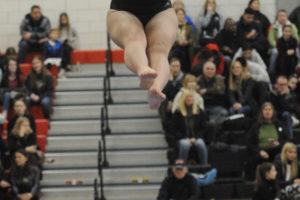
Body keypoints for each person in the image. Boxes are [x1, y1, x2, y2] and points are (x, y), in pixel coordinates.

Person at [107, 0, 178, 109]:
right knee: (134, 39)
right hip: (123, 10)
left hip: (160, 10)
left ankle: (156, 88)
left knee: (159, 49)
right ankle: (142, 69)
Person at [246, 102, 288, 180]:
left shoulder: (279, 125)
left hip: (276, 150)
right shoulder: (256, 126)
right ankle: (255, 180)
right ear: (262, 112)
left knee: (279, 158)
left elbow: (287, 139)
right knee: (254, 159)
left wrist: (279, 144)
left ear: (273, 112)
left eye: (269, 110)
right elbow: (250, 143)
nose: (267, 112)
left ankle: (278, 180)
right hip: (261, 151)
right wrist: (259, 151)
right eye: (265, 110)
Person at [172, 90, 209, 165]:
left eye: (191, 97)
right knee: (185, 144)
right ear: (183, 99)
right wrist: (186, 138)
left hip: (196, 137)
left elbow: (203, 128)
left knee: (200, 144)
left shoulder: (199, 111)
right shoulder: (178, 112)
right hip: (183, 138)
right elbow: (174, 129)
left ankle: (204, 167)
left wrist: (195, 138)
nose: (189, 99)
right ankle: (182, 167)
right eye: (187, 97)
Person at [268, 9, 299, 74]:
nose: (282, 17)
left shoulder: (292, 26)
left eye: (284, 16)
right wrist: (282, 47)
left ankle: (298, 70)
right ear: (277, 17)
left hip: (291, 46)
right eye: (280, 16)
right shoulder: (273, 27)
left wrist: (292, 48)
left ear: (287, 17)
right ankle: (271, 72)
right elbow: (271, 40)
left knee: (298, 51)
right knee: (274, 52)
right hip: (278, 46)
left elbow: (296, 39)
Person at [159, 57, 185, 133]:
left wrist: (174, 101)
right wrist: (170, 81)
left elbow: (181, 93)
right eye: (173, 66)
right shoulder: (163, 77)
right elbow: (162, 92)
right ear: (169, 67)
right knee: (162, 101)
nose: (175, 69)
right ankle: (165, 125)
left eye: (177, 66)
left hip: (180, 101)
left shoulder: (184, 78)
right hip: (167, 103)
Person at [0, 58, 26, 123]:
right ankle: (4, 114)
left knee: (15, 96)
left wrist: (13, 92)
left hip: (17, 97)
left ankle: (17, 116)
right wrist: (11, 92)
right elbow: (2, 90)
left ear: (17, 66)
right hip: (6, 98)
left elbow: (23, 90)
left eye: (14, 65)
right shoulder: (4, 77)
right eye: (11, 65)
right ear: (8, 67)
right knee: (7, 94)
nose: (13, 66)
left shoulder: (20, 77)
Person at [171, 8, 194, 73]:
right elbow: (169, 39)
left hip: (186, 46)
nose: (181, 16)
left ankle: (186, 71)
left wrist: (187, 42)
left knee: (185, 51)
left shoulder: (188, 26)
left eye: (182, 14)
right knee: (179, 51)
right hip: (175, 46)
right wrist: (178, 42)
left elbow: (192, 39)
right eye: (179, 14)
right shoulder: (171, 26)